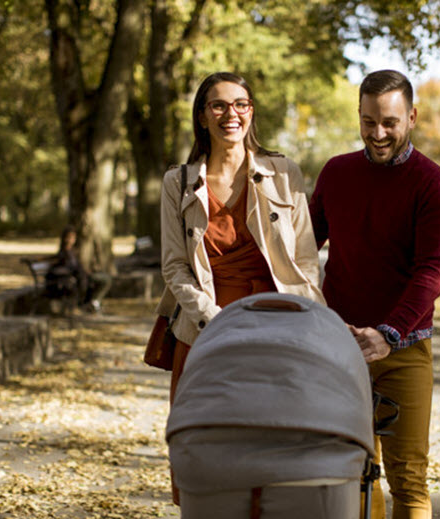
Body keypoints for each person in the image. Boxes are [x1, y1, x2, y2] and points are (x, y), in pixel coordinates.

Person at [154, 71, 325, 505]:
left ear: (251, 112)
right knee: (206, 449)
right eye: (219, 105)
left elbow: (305, 258)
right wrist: (213, 319)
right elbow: (174, 267)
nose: (231, 114)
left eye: (241, 104)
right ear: (202, 117)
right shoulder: (178, 182)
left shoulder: (283, 172)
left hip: (274, 326)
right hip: (203, 329)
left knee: (273, 444)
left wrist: (302, 319)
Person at [309, 69, 440, 519]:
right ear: (359, 114)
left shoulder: (433, 184)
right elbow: (300, 250)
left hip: (404, 351)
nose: (378, 133)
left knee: (408, 478)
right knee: (350, 473)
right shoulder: (337, 173)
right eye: (369, 121)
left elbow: (431, 272)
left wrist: (388, 333)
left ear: (411, 117)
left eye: (390, 122)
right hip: (339, 348)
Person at [46, 225, 112, 313]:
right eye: (69, 238)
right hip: (78, 278)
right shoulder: (64, 253)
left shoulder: (72, 251)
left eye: (73, 238)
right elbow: (66, 267)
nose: (71, 240)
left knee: (105, 279)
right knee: (103, 280)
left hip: (83, 276)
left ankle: (94, 302)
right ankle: (93, 303)